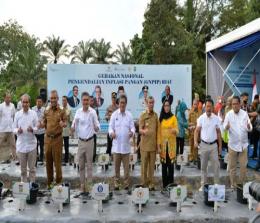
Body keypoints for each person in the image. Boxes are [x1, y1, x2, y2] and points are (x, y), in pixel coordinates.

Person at [72, 92, 100, 194]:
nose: (85, 102)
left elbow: (97, 125)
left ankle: (89, 185)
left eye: (87, 100)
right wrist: (72, 128)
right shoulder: (78, 112)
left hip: (90, 142)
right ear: (81, 101)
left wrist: (96, 127)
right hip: (81, 142)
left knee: (89, 166)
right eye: (83, 100)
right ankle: (82, 185)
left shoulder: (92, 112)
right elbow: (73, 125)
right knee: (81, 165)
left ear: (89, 101)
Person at [40, 90, 67, 189]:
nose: (53, 100)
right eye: (51, 98)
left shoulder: (62, 110)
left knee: (57, 162)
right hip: (47, 139)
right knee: (48, 162)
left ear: (57, 98)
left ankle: (59, 183)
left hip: (57, 139)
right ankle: (50, 183)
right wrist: (41, 124)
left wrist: (62, 124)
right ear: (50, 99)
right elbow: (43, 122)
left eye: (55, 98)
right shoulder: (46, 110)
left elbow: (65, 123)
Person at [224, 96, 252, 187]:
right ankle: (233, 184)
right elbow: (224, 126)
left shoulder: (244, 114)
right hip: (233, 145)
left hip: (243, 145)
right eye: (233, 104)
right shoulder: (229, 115)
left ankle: (241, 184)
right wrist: (226, 127)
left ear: (240, 104)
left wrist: (249, 127)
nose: (235, 106)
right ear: (231, 105)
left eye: (236, 104)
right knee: (232, 167)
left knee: (243, 167)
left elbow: (249, 126)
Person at [194, 98, 222, 190]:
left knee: (216, 167)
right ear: (205, 107)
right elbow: (196, 131)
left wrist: (220, 146)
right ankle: (203, 185)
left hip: (214, 146)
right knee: (203, 167)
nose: (209, 108)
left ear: (213, 107)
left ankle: (216, 185)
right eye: (207, 106)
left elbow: (218, 133)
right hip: (204, 145)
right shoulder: (201, 118)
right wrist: (195, 141)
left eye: (210, 106)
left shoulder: (216, 119)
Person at [109, 94, 135, 190]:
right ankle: (116, 184)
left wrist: (132, 132)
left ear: (126, 104)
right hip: (116, 147)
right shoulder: (114, 114)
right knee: (116, 168)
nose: (122, 104)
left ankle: (126, 184)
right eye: (120, 102)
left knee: (126, 169)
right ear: (118, 103)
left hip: (126, 147)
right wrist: (111, 133)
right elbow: (110, 127)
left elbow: (132, 127)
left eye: (124, 103)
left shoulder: (129, 115)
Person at [13, 94, 38, 182]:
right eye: (23, 102)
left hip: (32, 146)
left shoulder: (34, 114)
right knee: (23, 171)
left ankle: (32, 188)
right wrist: (17, 131)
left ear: (29, 103)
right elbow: (13, 129)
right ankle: (24, 189)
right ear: (21, 103)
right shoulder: (17, 115)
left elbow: (37, 128)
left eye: (27, 102)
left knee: (32, 169)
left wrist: (32, 129)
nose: (25, 104)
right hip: (21, 146)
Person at [139, 96, 159, 190]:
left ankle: (151, 184)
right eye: (149, 103)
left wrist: (158, 145)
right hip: (144, 145)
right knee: (144, 166)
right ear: (147, 103)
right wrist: (142, 131)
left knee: (152, 167)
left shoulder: (155, 115)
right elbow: (139, 129)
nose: (151, 104)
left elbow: (158, 131)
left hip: (153, 145)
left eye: (152, 102)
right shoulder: (143, 115)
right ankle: (144, 184)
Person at [158, 100, 179, 189]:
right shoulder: (161, 118)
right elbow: (158, 133)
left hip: (171, 146)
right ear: (163, 107)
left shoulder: (173, 117)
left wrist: (174, 130)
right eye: (165, 105)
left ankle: (171, 186)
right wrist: (158, 145)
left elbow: (177, 131)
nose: (166, 107)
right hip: (163, 147)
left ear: (170, 107)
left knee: (171, 167)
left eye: (168, 105)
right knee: (164, 167)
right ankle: (164, 186)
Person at [0, 92, 16, 163]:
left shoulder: (12, 105)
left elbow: (13, 116)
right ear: (4, 98)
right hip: (2, 129)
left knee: (13, 144)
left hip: (11, 128)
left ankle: (15, 158)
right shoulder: (1, 106)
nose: (9, 99)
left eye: (10, 97)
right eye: (7, 97)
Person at [32, 96, 45, 163]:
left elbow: (45, 119)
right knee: (35, 146)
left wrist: (42, 122)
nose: (39, 103)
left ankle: (41, 158)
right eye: (37, 102)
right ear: (36, 102)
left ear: (42, 103)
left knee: (42, 146)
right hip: (35, 132)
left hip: (42, 131)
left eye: (40, 102)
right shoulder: (32, 109)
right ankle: (36, 159)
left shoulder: (44, 110)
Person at [105, 92, 118, 156]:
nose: (114, 99)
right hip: (111, 129)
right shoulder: (108, 107)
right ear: (111, 98)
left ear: (116, 98)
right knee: (109, 145)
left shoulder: (118, 108)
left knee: (117, 145)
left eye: (115, 98)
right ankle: (108, 158)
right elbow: (106, 117)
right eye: (113, 98)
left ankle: (117, 157)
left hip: (118, 129)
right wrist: (109, 117)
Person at [61, 96, 72, 165]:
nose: (63, 102)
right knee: (59, 146)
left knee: (66, 146)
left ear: (67, 101)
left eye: (65, 100)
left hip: (66, 131)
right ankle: (60, 159)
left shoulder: (69, 110)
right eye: (62, 100)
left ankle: (66, 160)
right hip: (59, 131)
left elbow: (71, 121)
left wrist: (71, 131)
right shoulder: (59, 109)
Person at [89, 95, 99, 162]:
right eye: (90, 100)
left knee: (94, 147)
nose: (91, 102)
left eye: (92, 101)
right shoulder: (85, 109)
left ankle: (93, 159)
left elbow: (98, 120)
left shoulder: (96, 110)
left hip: (94, 132)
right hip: (87, 133)